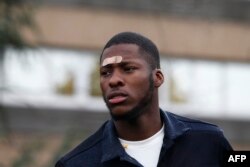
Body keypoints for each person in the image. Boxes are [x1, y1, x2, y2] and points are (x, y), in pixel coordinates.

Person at [55, 32, 232, 167]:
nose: (114, 80)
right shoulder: (75, 163)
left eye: (128, 68)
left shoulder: (210, 141)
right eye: (105, 72)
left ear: (158, 78)